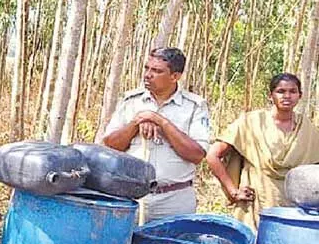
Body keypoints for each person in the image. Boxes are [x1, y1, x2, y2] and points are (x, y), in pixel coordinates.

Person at [102, 47, 210, 222]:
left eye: (157, 71)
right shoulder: (131, 101)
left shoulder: (195, 106)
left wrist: (161, 122)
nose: (148, 75)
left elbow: (197, 155)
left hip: (174, 199)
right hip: (130, 197)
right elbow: (111, 144)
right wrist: (136, 122)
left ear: (175, 76)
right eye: (147, 68)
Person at [205, 72, 319, 230]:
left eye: (292, 91)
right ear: (270, 95)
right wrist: (233, 191)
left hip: (294, 210)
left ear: (300, 95)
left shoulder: (307, 129)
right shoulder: (251, 122)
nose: (287, 96)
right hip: (254, 204)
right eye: (281, 91)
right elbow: (212, 155)